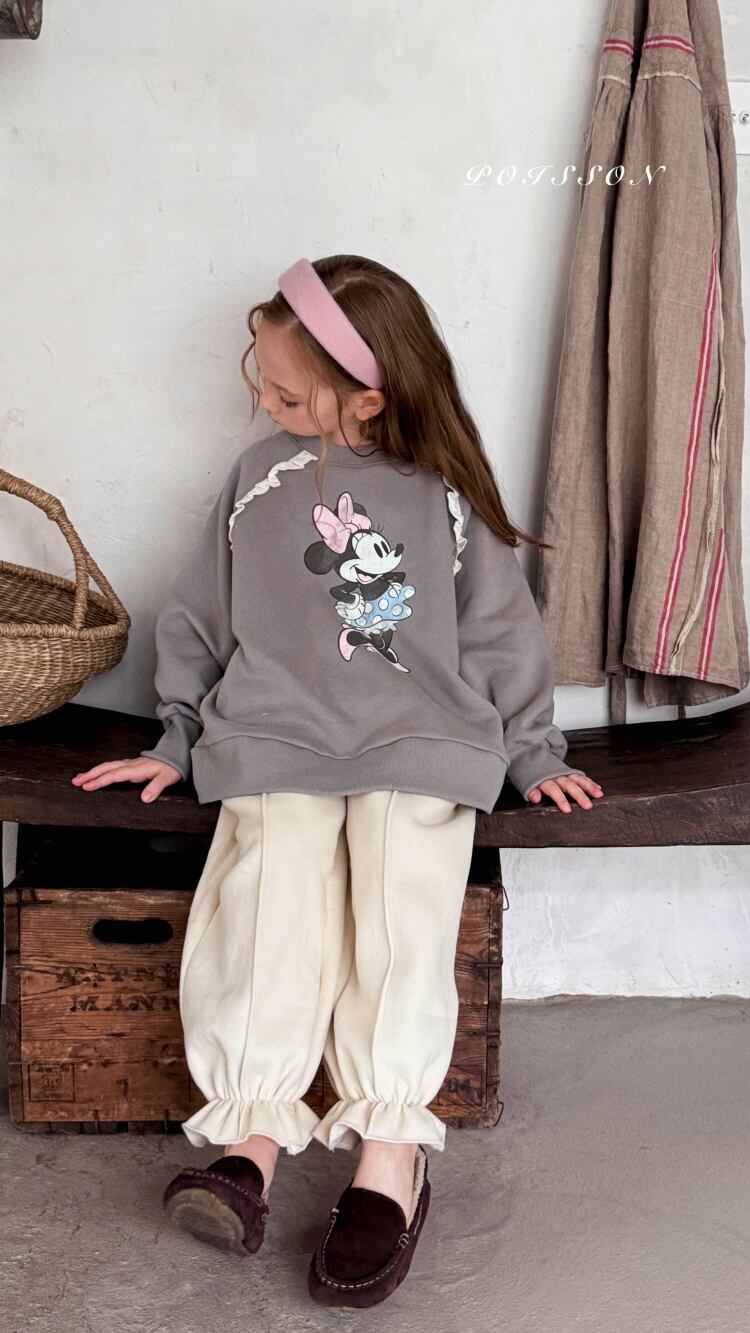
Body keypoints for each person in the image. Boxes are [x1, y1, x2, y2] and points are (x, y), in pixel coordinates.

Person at [70, 254, 603, 1307]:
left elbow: (502, 632)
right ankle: (251, 1143)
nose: (265, 407)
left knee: (402, 916)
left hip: (421, 740)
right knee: (266, 904)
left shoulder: (442, 494)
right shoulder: (258, 479)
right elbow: (199, 615)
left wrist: (535, 750)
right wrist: (175, 738)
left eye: (286, 393)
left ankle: (388, 1158)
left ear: (368, 397)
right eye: (265, 386)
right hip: (273, 737)